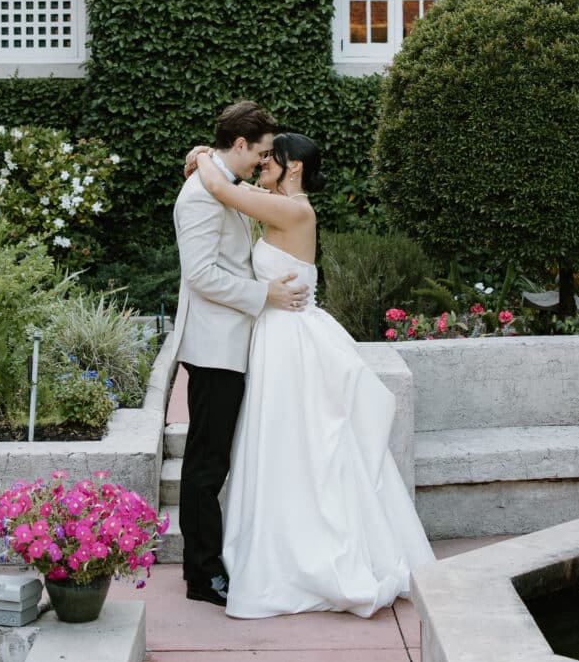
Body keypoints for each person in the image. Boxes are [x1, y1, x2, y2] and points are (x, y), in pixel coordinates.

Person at [182, 131, 434, 619]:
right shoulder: (276, 201)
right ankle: (270, 546)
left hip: (291, 341)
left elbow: (225, 191)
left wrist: (202, 158)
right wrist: (206, 157)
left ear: (291, 166)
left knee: (301, 445)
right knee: (279, 446)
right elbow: (235, 190)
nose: (260, 166)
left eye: (269, 159)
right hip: (273, 336)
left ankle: (305, 553)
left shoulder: (297, 211)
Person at [148, 101, 311, 607]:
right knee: (206, 463)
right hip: (215, 347)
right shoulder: (200, 193)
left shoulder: (222, 181)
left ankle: (211, 563)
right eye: (260, 153)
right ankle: (202, 575)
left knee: (214, 459)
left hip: (235, 343)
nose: (263, 163)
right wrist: (265, 296)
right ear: (238, 145)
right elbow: (201, 276)